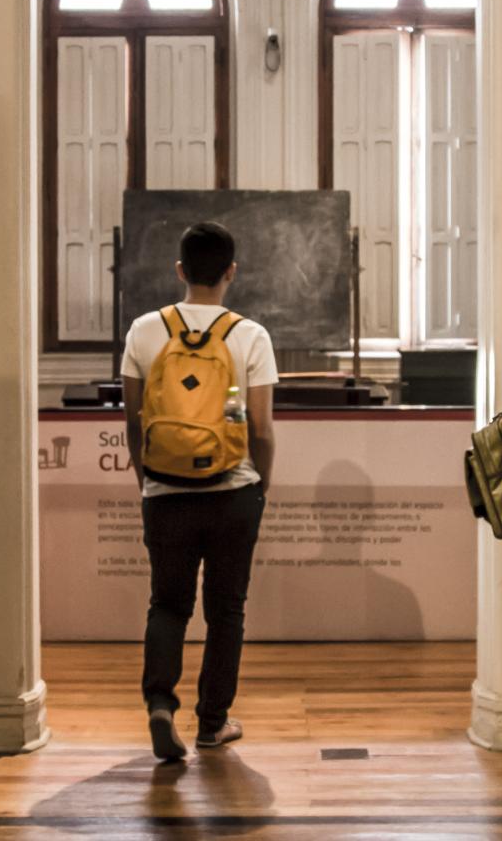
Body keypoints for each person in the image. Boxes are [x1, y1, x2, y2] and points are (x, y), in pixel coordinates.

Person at [121, 221, 278, 762]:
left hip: (164, 491)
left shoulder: (145, 330)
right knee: (226, 610)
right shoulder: (250, 335)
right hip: (233, 490)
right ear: (231, 272)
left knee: (167, 604)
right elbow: (260, 429)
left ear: (181, 271)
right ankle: (212, 723)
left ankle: (160, 704)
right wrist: (261, 486)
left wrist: (148, 480)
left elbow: (134, 419)